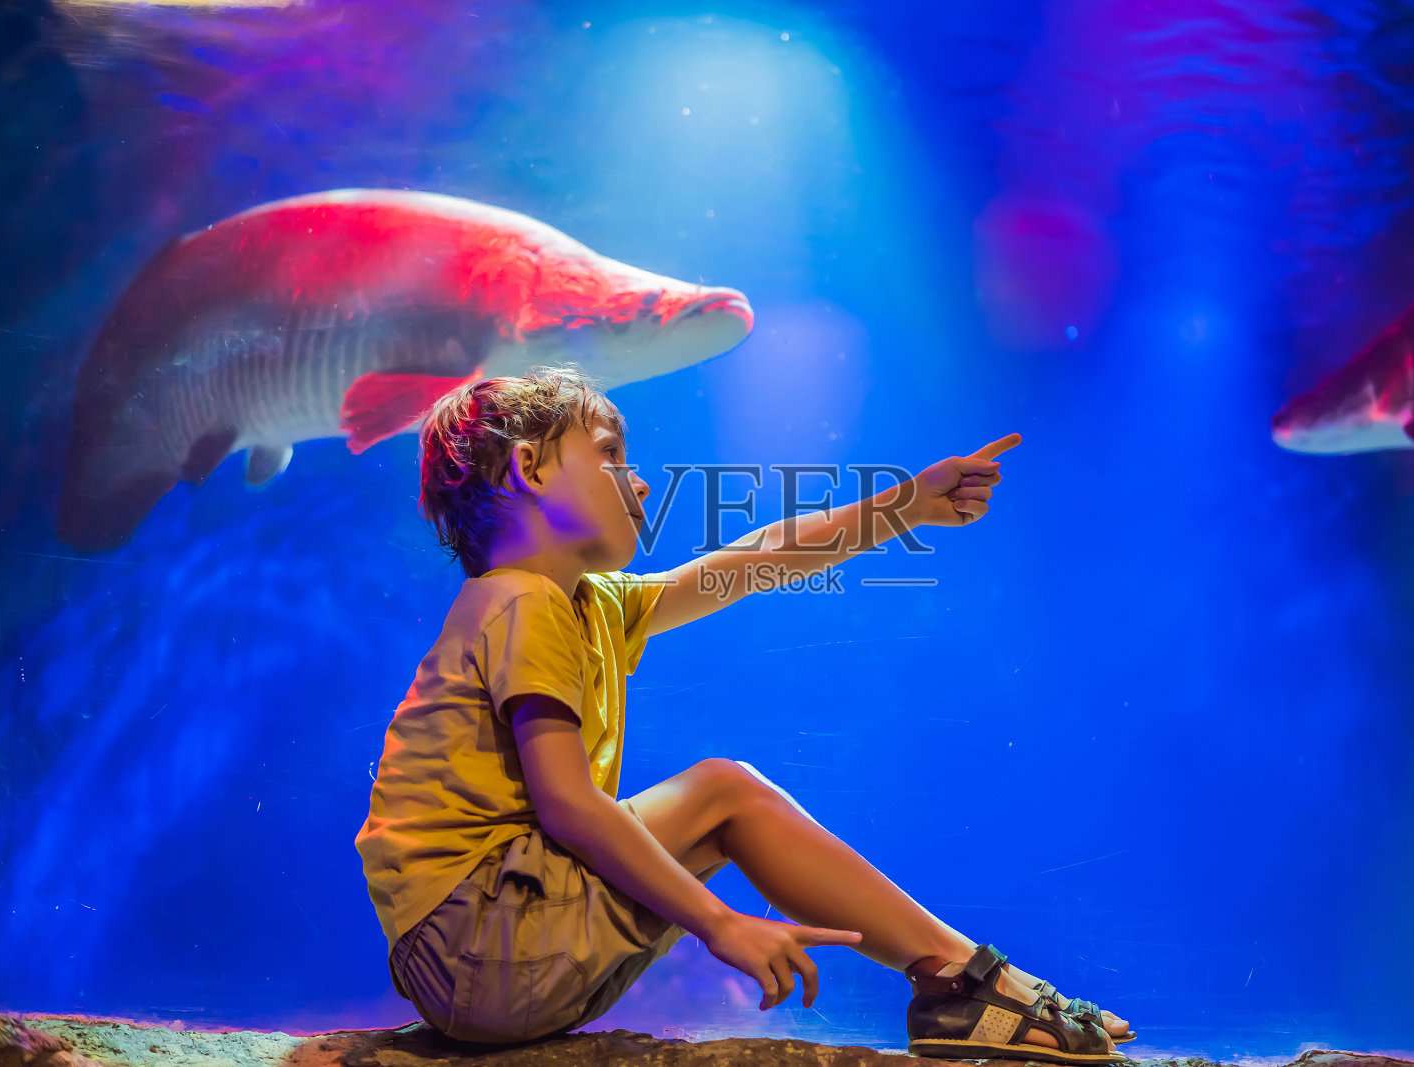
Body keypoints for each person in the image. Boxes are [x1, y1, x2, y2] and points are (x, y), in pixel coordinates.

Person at [354, 364, 1134, 1062]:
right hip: (476, 944)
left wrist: (909, 505)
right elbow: (566, 804)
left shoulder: (578, 603)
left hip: (480, 959)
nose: (641, 482)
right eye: (608, 453)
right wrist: (720, 922)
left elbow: (752, 560)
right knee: (725, 791)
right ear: (529, 468)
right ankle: (963, 982)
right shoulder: (519, 600)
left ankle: (957, 979)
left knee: (725, 800)